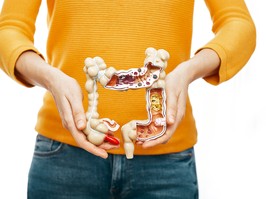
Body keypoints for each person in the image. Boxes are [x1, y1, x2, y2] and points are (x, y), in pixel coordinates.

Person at [0, 0, 256, 198]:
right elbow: (10, 29)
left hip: (165, 163)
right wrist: (50, 77)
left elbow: (239, 24)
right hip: (64, 159)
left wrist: (189, 70)